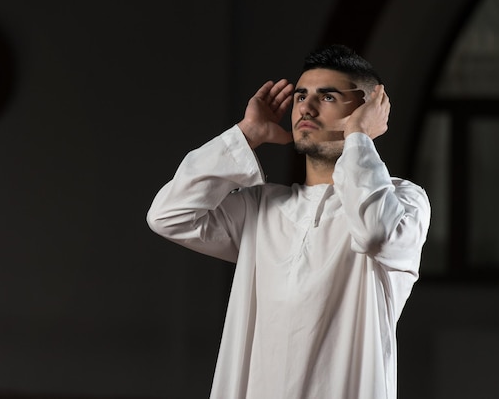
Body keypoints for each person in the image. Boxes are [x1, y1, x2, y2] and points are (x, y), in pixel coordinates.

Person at [146, 44, 431, 399]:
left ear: (369, 109)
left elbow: (376, 234)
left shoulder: (404, 201)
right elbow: (168, 216)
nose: (306, 108)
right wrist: (245, 134)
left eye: (327, 97)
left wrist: (359, 137)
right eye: (300, 97)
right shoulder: (262, 207)